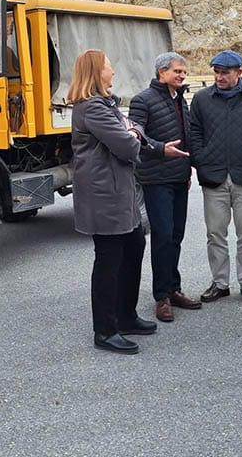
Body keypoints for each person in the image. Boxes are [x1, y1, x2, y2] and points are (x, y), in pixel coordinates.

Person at [68, 49, 167, 355]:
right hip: (104, 196)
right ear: (97, 73)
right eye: (109, 68)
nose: (113, 73)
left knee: (135, 246)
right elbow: (125, 145)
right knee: (108, 260)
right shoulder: (93, 108)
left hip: (116, 191)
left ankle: (125, 316)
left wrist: (136, 132)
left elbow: (129, 137)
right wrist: (134, 129)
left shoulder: (104, 105)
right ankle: (106, 330)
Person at [188, 50, 242, 305]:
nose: (219, 77)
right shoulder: (201, 99)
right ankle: (219, 283)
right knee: (215, 233)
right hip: (213, 177)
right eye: (216, 72)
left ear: (239, 73)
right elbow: (194, 132)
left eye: (225, 72)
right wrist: (200, 159)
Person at [129, 52, 201, 322]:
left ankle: (173, 288)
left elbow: (188, 136)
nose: (182, 76)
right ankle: (161, 296)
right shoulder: (142, 100)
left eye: (184, 72)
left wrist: (194, 165)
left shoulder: (180, 99)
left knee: (177, 235)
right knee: (163, 236)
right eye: (177, 72)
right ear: (162, 72)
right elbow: (136, 137)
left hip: (179, 177)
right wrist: (161, 150)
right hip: (156, 178)